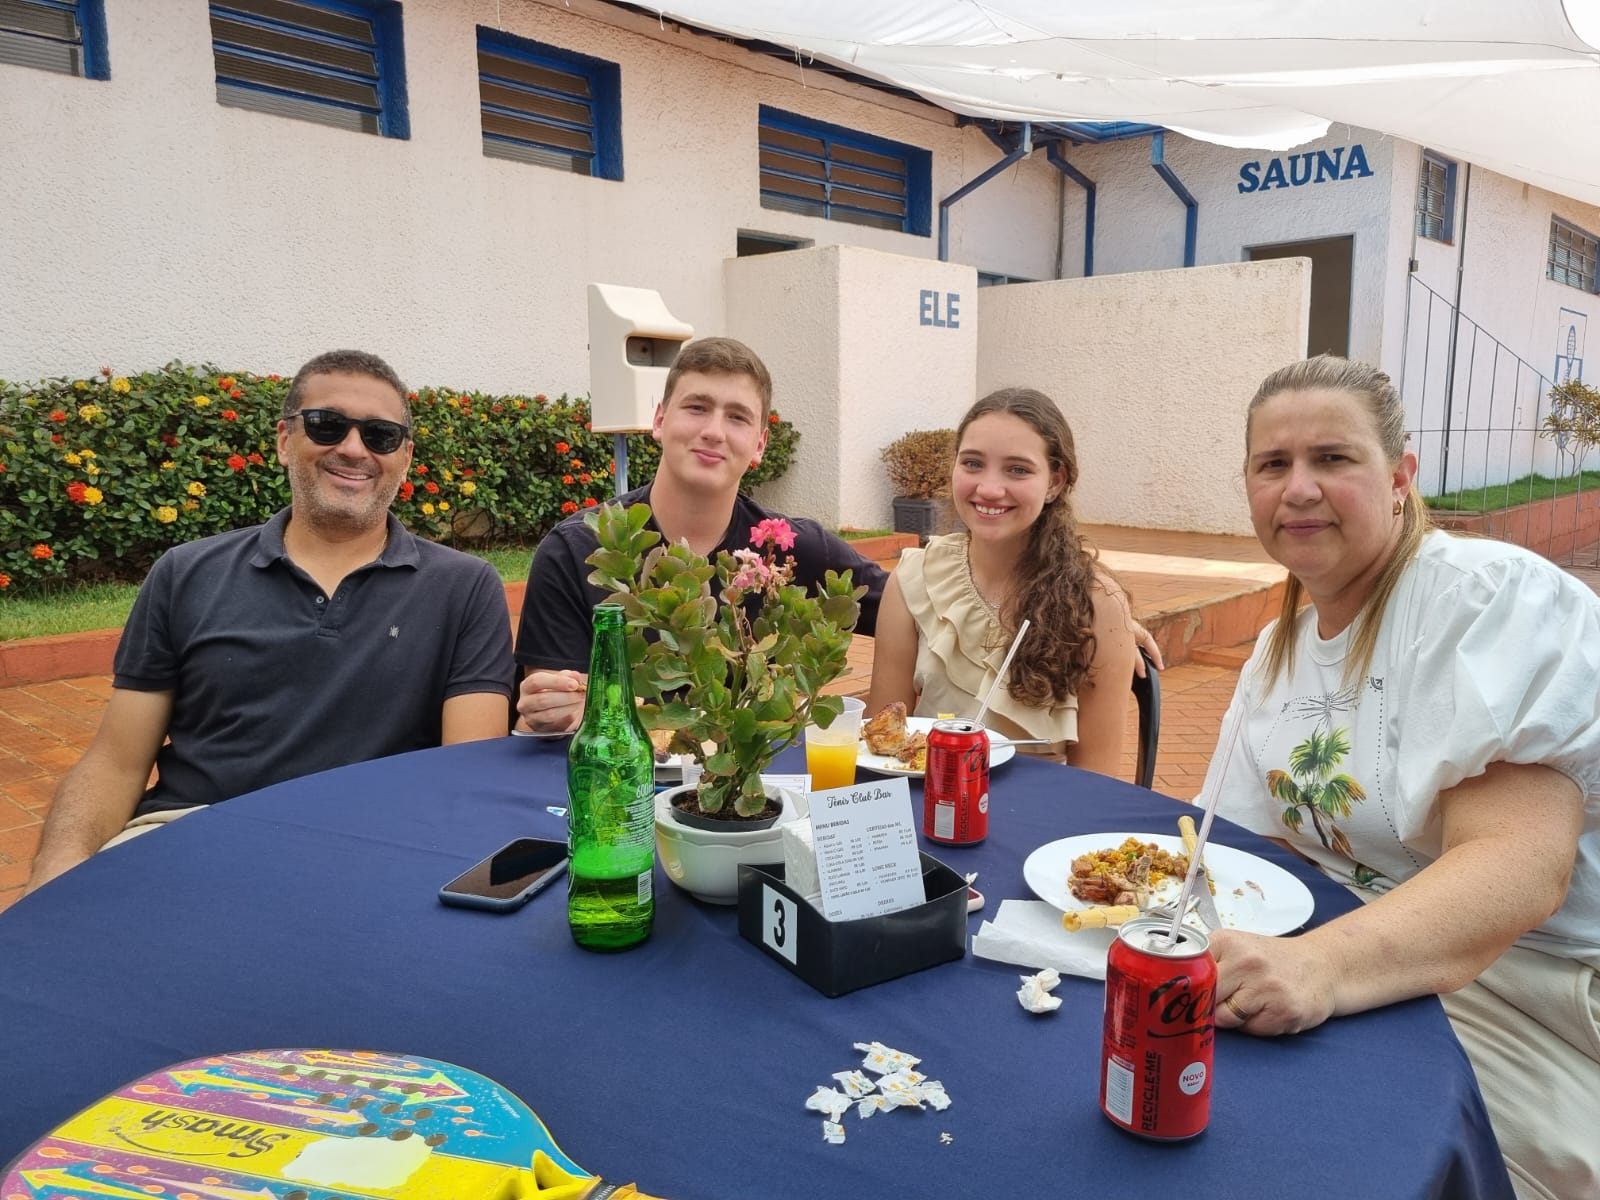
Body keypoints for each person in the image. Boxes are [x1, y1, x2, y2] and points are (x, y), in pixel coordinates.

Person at [1198, 355, 1600, 1199]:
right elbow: (1238, 846)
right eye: (1273, 465)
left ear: (1399, 478)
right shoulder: (1275, 656)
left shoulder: (1480, 597)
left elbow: (1522, 868)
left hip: (1538, 986)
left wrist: (1320, 970)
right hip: (1362, 961)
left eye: (1333, 459)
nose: (1298, 488)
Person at [25, 350, 516, 894]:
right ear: (285, 441)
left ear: (403, 457)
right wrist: (55, 876)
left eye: (380, 435)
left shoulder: (464, 586)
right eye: (327, 426)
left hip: (373, 853)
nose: (354, 449)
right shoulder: (186, 573)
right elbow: (116, 763)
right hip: (189, 834)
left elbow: (465, 776)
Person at [514, 336, 889, 733]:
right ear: (660, 420)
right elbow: (551, 721)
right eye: (697, 407)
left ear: (759, 444)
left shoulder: (789, 551)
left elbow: (914, 612)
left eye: (737, 417)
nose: (713, 431)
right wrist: (548, 708)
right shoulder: (576, 550)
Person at [867, 387, 1140, 774]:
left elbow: (1097, 778)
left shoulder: (1099, 606)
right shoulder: (912, 581)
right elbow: (882, 748)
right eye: (973, 463)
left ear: (1055, 483)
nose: (989, 488)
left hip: (1042, 823)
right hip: (925, 812)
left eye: (1018, 469)